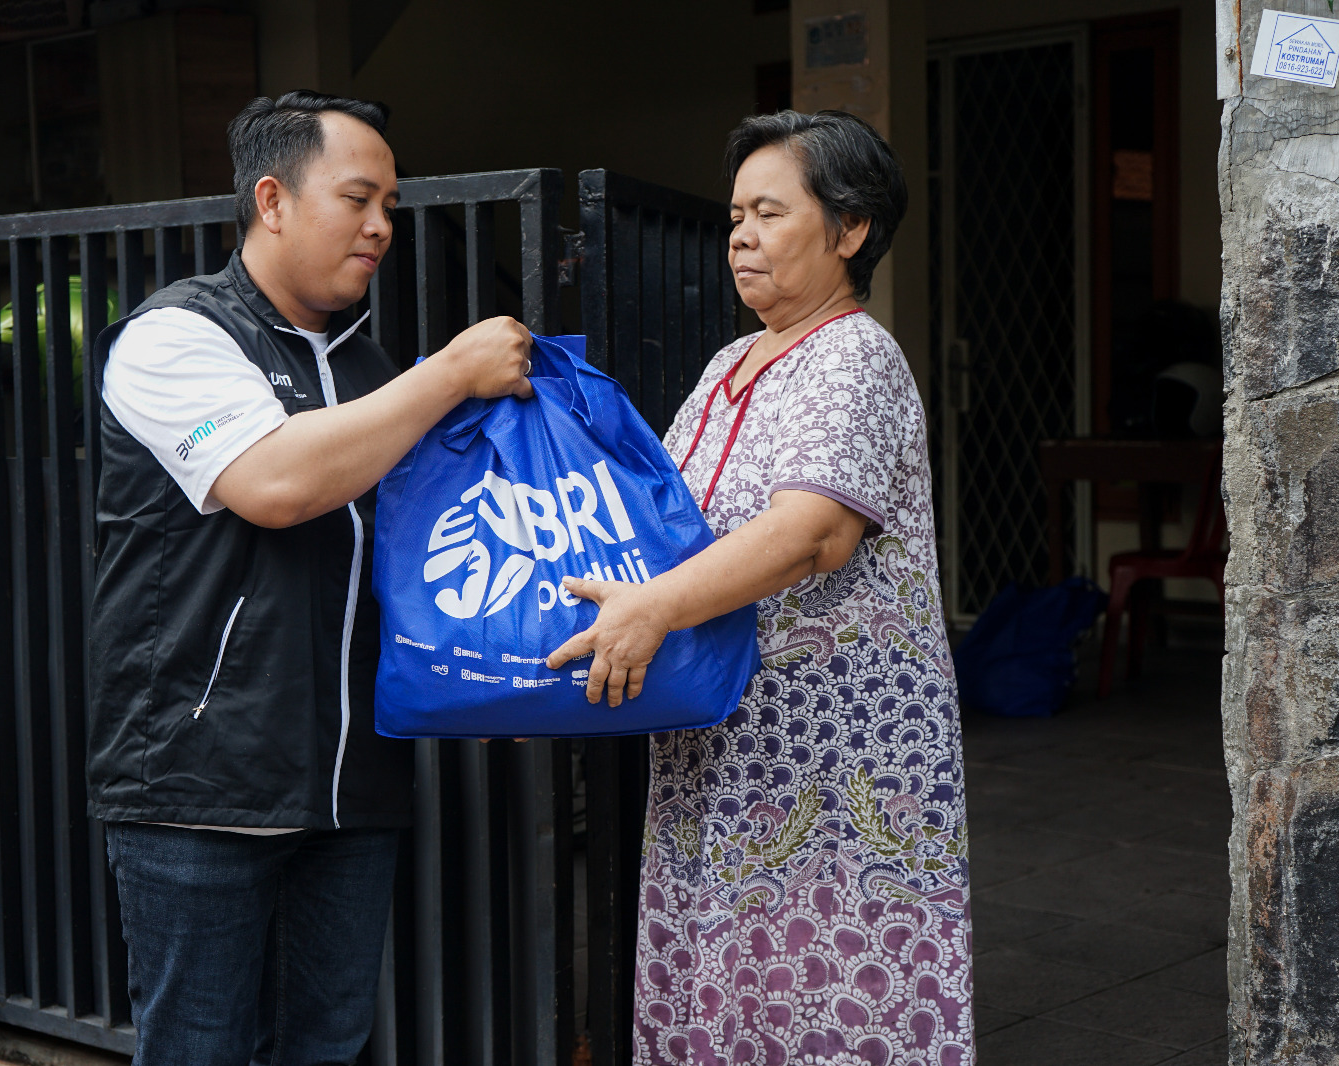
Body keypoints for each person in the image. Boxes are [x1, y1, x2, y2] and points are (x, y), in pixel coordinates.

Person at [86, 91, 533, 1065]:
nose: (380, 227)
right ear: (273, 200)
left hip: (354, 789)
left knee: (327, 1045)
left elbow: (429, 561)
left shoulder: (373, 369)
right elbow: (275, 481)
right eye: (358, 198)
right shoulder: (175, 337)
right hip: (199, 787)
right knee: (201, 1050)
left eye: (391, 207)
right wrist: (451, 372)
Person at [547, 110, 973, 1064]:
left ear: (849, 230)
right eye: (736, 214)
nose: (739, 235)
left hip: (831, 755)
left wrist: (655, 607)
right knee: (724, 980)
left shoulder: (855, 355)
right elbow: (658, 516)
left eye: (769, 213)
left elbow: (810, 531)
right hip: (727, 738)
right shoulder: (729, 364)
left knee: (818, 987)